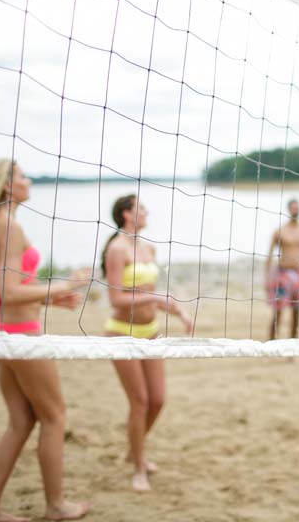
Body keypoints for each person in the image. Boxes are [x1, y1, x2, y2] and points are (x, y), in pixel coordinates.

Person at [0, 158, 90, 522]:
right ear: (6, 186)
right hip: (20, 336)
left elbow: (12, 289)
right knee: (54, 417)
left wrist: (50, 297)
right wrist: (62, 285)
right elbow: (9, 291)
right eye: (22, 175)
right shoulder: (8, 225)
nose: (28, 179)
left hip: (1, 331)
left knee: (20, 422)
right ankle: (55, 506)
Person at [101, 194, 193, 492]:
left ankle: (134, 448)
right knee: (139, 402)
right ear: (127, 214)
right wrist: (154, 298)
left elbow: (153, 292)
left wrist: (179, 311)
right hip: (121, 333)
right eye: (141, 207)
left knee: (158, 400)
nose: (146, 211)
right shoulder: (116, 248)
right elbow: (116, 297)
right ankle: (139, 466)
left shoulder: (148, 246)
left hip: (150, 331)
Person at [264, 198, 299, 340]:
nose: (295, 210)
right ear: (288, 210)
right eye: (293, 208)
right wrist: (266, 279)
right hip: (282, 274)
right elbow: (268, 257)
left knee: (297, 312)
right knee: (278, 312)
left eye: (297, 208)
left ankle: (293, 345)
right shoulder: (280, 231)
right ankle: (272, 343)